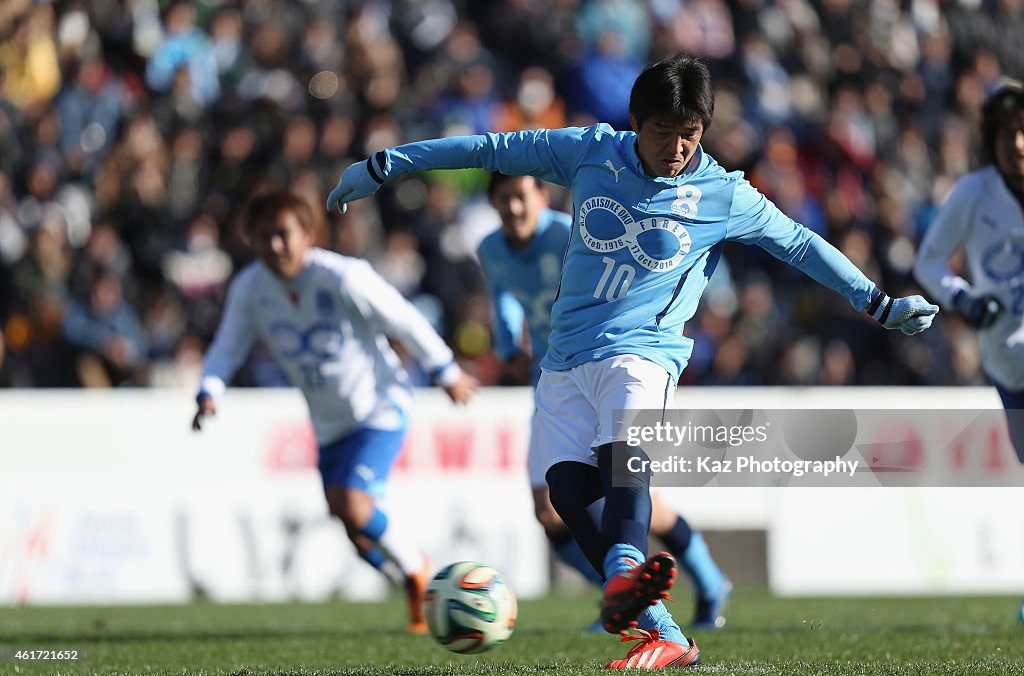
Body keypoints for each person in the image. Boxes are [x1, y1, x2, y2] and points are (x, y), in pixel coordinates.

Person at [328, 53, 938, 668]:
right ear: (635, 123)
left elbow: (801, 244)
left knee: (624, 467)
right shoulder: (590, 152)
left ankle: (626, 574)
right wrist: (386, 165)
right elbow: (490, 149)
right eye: (662, 132)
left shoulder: (723, 194)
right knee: (566, 494)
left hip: (644, 354)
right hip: (563, 359)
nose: (676, 148)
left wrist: (878, 301)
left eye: (690, 135)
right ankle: (665, 632)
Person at [191, 190, 478, 634]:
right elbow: (228, 344)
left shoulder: (342, 276)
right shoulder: (251, 289)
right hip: (328, 424)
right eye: (264, 237)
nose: (275, 246)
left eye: (284, 235)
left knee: (352, 503)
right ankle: (411, 582)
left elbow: (403, 318)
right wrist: (210, 389)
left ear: (307, 235)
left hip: (379, 404)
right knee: (357, 532)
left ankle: (422, 570)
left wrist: (445, 370)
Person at [477, 171, 731, 630]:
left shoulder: (572, 232)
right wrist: (505, 339)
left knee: (630, 496)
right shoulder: (491, 249)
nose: (514, 208)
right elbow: (503, 295)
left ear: (541, 195)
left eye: (521, 197)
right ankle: (624, 597)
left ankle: (710, 582)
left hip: (608, 368)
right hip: (554, 381)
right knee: (550, 511)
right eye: (503, 200)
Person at [915, 81, 1024, 463]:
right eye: (1008, 133)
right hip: (1009, 358)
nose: (1018, 145)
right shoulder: (972, 194)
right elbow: (927, 262)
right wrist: (964, 299)